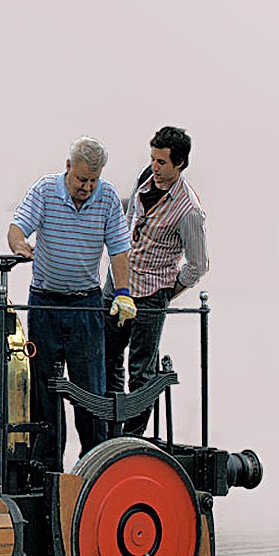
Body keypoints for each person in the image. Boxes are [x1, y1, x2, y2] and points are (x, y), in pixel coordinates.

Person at [8, 136, 134, 473]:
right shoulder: (45, 190)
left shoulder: (107, 198)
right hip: (46, 304)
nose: (87, 187)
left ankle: (93, 463)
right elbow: (17, 227)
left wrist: (123, 292)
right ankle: (48, 469)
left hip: (85, 306)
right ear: (68, 168)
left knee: (89, 390)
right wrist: (20, 244)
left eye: (93, 180)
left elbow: (119, 251)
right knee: (45, 388)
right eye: (81, 180)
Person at [104, 126, 208, 436]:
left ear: (180, 164)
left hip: (151, 293)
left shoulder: (189, 211)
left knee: (142, 370)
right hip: (119, 283)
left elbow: (197, 264)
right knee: (108, 357)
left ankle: (132, 437)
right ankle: (111, 429)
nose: (155, 167)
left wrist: (166, 294)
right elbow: (128, 224)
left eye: (162, 162)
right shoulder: (144, 181)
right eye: (153, 159)